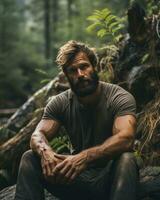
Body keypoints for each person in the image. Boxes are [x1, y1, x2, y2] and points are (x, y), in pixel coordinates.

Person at [14, 40, 138, 200]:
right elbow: (38, 134)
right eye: (73, 70)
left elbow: (126, 139)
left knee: (127, 159)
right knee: (30, 158)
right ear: (66, 76)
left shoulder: (118, 97)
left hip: (110, 179)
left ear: (94, 66)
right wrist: (47, 153)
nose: (80, 74)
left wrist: (84, 158)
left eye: (84, 66)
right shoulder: (59, 102)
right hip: (74, 177)